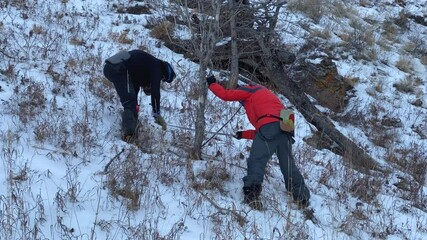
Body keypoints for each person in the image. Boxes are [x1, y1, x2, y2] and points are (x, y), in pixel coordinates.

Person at [206, 75, 310, 210]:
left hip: (272, 124)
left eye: (240, 100)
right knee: (287, 163)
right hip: (286, 124)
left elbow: (226, 95)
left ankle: (252, 194)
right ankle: (301, 195)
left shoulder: (249, 90)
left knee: (257, 159)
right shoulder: (267, 94)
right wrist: (243, 134)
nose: (241, 103)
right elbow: (265, 131)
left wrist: (212, 84)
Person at [103, 49, 176, 140]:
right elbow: (155, 92)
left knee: (132, 102)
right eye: (162, 79)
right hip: (119, 69)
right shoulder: (157, 67)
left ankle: (132, 129)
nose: (160, 80)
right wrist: (157, 114)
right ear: (164, 74)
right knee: (130, 104)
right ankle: (129, 136)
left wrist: (135, 111)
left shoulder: (147, 65)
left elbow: (135, 89)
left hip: (113, 67)